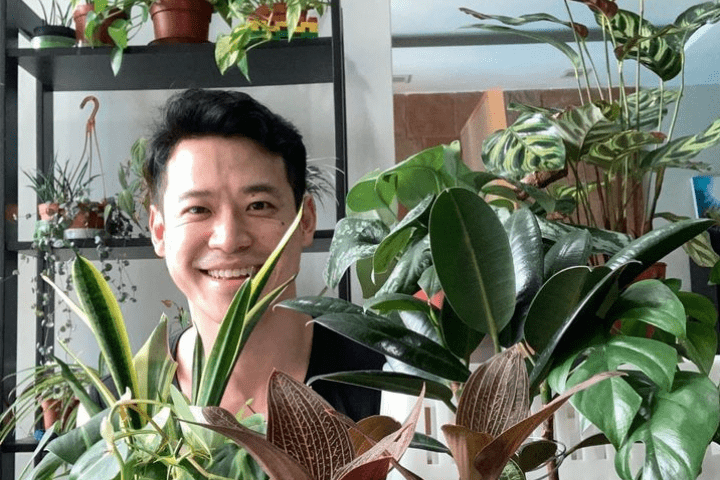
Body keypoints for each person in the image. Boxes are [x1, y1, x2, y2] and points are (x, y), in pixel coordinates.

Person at [143, 88, 383, 421]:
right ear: (160, 231)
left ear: (305, 220)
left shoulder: (388, 385)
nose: (229, 240)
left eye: (258, 205)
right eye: (197, 209)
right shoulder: (118, 411)